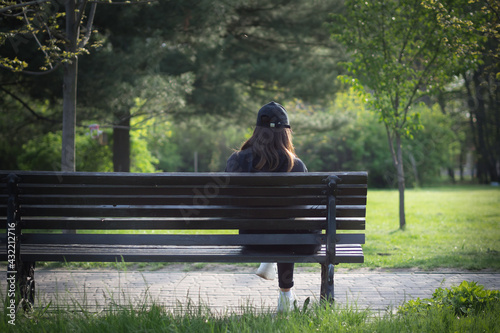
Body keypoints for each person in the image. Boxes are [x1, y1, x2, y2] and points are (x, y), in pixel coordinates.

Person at [225, 101, 316, 312]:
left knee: (279, 227)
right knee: (292, 228)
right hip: (287, 241)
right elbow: (303, 210)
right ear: (286, 133)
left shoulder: (236, 161)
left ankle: (268, 258)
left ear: (257, 130)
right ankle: (285, 297)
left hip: (250, 239)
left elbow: (230, 202)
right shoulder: (296, 165)